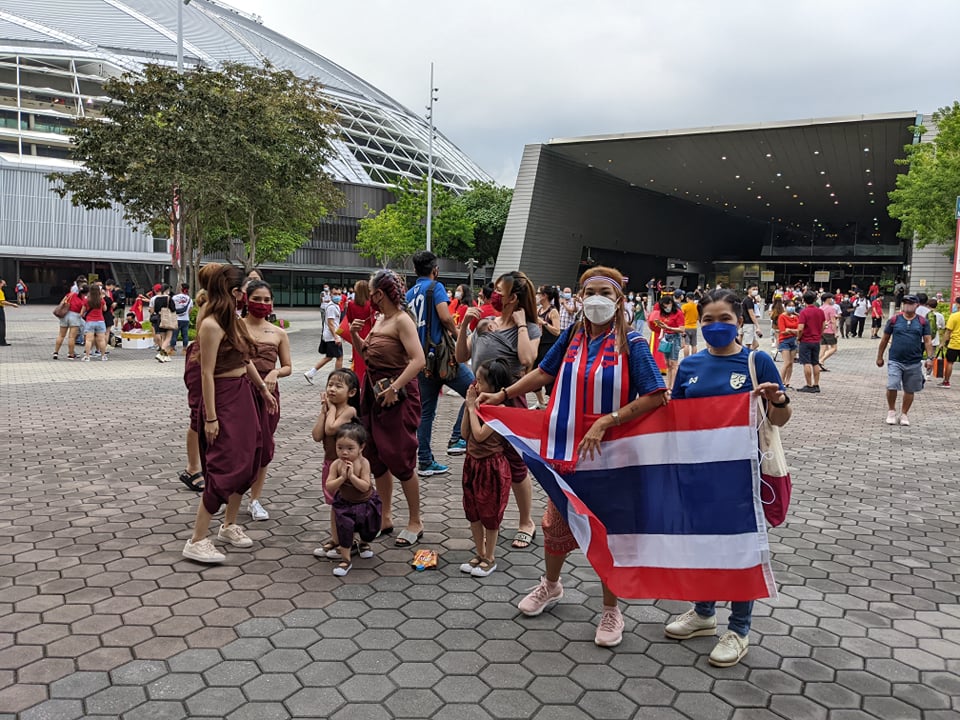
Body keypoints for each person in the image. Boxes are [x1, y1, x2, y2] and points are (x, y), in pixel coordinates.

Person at [479, 266, 667, 647]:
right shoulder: (573, 336)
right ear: (579, 299)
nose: (597, 298)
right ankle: (551, 586)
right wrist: (503, 395)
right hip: (568, 449)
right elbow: (544, 373)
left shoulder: (633, 342)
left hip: (612, 452)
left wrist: (607, 422)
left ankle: (611, 609)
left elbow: (656, 395)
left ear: (619, 300)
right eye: (590, 291)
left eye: (605, 292)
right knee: (555, 522)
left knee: (606, 528)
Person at [665, 288, 791, 667]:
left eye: (725, 319)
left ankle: (739, 629)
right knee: (703, 544)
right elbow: (677, 422)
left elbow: (781, 420)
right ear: (699, 323)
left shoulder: (757, 362)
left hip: (742, 477)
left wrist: (778, 401)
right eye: (708, 320)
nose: (716, 326)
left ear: (740, 320)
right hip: (699, 473)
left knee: (740, 549)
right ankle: (703, 613)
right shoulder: (689, 366)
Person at [181, 264, 277, 564]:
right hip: (223, 398)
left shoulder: (231, 320)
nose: (247, 297)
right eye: (244, 290)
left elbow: (245, 359)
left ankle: (228, 525)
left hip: (243, 394)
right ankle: (197, 539)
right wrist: (210, 418)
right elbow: (206, 374)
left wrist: (262, 389)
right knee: (225, 465)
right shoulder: (210, 323)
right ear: (234, 292)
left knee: (251, 459)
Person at [456, 271, 540, 550]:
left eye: (499, 291)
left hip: (509, 401)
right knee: (481, 456)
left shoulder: (528, 327)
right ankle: (489, 518)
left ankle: (526, 521)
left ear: (513, 298)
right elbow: (461, 357)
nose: (494, 294)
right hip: (479, 400)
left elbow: (528, 361)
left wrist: (521, 325)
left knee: (516, 463)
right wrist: (467, 325)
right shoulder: (485, 324)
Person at [350, 269, 425, 547]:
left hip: (398, 396)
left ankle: (415, 521)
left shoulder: (402, 320)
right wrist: (357, 337)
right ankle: (385, 516)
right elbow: (368, 356)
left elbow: (418, 361)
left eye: (372, 294)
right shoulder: (380, 319)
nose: (370, 299)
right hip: (374, 395)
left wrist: (395, 388)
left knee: (400, 457)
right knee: (377, 456)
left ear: (380, 294)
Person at [406, 250, 475, 475]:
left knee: (426, 412)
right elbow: (445, 317)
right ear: (435, 270)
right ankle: (457, 438)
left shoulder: (409, 294)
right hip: (443, 357)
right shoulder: (435, 288)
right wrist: (459, 336)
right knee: (476, 391)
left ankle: (424, 460)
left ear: (415, 270)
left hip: (421, 360)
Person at [458, 359, 513, 578]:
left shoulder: (499, 409)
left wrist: (472, 408)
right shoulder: (476, 404)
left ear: (495, 386)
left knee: (489, 512)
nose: (476, 385)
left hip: (492, 467)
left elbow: (480, 435)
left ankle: (490, 557)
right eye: (476, 380)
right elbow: (465, 434)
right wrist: (467, 406)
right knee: (473, 511)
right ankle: (479, 553)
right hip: (472, 463)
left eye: (481, 381)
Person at [243, 280, 292, 521]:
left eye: (266, 300)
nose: (262, 304)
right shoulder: (236, 327)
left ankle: (255, 499)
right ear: (246, 299)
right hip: (240, 392)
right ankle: (229, 493)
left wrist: (274, 372)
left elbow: (288, 367)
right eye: (257, 299)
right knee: (239, 445)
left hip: (270, 396)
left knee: (264, 446)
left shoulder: (278, 333)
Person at [322, 423, 382, 577]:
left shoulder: (363, 463)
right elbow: (329, 486)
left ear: (361, 447)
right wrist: (342, 478)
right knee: (345, 530)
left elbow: (365, 486)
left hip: (366, 502)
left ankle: (364, 543)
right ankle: (346, 558)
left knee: (369, 529)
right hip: (345, 504)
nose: (344, 452)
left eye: (350, 448)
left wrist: (352, 477)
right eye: (340, 447)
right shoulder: (336, 464)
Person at [312, 369, 361, 556]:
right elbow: (317, 435)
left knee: (347, 504)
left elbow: (332, 429)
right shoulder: (328, 410)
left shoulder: (349, 410)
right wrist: (323, 412)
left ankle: (350, 541)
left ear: (351, 392)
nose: (332, 389)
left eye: (338, 386)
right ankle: (336, 538)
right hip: (330, 464)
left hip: (346, 467)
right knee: (335, 504)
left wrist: (331, 409)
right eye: (330, 385)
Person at [877, 295, 933, 426]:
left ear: (917, 305)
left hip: (914, 361)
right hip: (895, 359)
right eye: (905, 303)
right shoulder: (894, 320)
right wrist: (879, 356)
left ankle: (904, 414)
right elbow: (884, 339)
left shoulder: (923, 322)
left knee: (910, 389)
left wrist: (930, 358)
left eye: (910, 303)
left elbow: (928, 341)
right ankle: (891, 411)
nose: (907, 305)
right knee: (892, 385)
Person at [179, 290, 208, 493]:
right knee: (198, 414)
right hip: (201, 357)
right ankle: (192, 467)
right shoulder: (210, 306)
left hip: (213, 358)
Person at [304, 288, 344, 382]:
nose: (337, 296)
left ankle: (311, 373)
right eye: (335, 294)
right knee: (339, 357)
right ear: (330, 294)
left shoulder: (335, 305)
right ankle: (337, 378)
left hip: (330, 336)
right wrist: (336, 337)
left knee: (329, 357)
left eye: (339, 294)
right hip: (331, 336)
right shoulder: (331, 307)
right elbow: (331, 323)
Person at [533, 285, 561, 409]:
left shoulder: (552, 311)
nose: (537, 296)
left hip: (549, 346)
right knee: (534, 371)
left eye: (539, 293)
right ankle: (540, 401)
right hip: (538, 344)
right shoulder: (539, 310)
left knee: (547, 373)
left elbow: (557, 331)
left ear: (544, 296)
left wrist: (544, 323)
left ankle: (551, 402)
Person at [648, 293, 684, 388]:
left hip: (674, 337)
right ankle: (668, 385)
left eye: (666, 306)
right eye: (663, 307)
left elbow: (682, 329)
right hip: (666, 337)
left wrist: (669, 327)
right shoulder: (664, 314)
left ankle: (673, 386)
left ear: (671, 303)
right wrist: (661, 329)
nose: (665, 308)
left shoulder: (678, 313)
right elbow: (663, 327)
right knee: (667, 363)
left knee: (673, 363)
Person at [344, 280, 375, 386]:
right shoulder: (371, 304)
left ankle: (359, 380)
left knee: (358, 358)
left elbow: (349, 319)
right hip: (369, 331)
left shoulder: (351, 304)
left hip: (356, 332)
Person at [796, 291, 825, 393]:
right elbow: (823, 326)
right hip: (816, 340)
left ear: (804, 300)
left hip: (806, 340)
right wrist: (819, 335)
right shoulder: (820, 312)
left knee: (806, 363)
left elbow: (800, 328)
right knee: (815, 363)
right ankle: (816, 384)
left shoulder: (804, 312)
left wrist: (798, 338)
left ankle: (809, 385)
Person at [53, 284, 85, 359]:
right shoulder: (83, 299)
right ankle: (71, 354)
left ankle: (56, 352)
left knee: (61, 335)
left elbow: (62, 302)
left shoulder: (70, 294)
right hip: (75, 317)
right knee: (72, 337)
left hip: (65, 315)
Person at [80, 283, 108, 361]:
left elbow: (82, 312)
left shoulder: (86, 300)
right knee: (101, 340)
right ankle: (103, 356)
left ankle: (87, 356)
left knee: (88, 340)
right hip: (100, 321)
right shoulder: (101, 300)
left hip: (90, 321)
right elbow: (105, 309)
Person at [777, 301, 800, 388]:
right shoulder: (782, 317)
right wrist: (793, 331)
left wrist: (790, 330)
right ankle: (780, 381)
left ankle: (787, 381)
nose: (791, 307)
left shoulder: (796, 317)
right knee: (786, 363)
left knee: (791, 363)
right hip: (784, 341)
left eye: (793, 306)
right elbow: (783, 331)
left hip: (793, 340)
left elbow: (800, 329)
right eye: (789, 306)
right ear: (785, 306)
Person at [938, 297, 960, 388]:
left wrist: (942, 343)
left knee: (950, 362)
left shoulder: (954, 316)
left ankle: (946, 382)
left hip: (954, 344)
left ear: (958, 304)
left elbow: (948, 332)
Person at [151, 285, 176, 363]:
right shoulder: (169, 298)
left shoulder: (156, 299)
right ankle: (161, 353)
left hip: (159, 319)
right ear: (167, 290)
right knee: (168, 338)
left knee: (163, 338)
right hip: (167, 319)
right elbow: (173, 309)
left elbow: (155, 309)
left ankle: (165, 356)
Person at [819, 293, 839, 369]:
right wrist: (835, 332)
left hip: (822, 329)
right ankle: (821, 360)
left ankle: (818, 363)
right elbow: (833, 321)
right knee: (834, 348)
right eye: (831, 298)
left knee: (823, 347)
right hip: (829, 330)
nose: (832, 300)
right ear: (828, 299)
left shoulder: (820, 308)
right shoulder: (831, 308)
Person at [171, 284, 193, 354]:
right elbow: (190, 310)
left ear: (181, 288)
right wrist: (185, 315)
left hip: (176, 319)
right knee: (185, 335)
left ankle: (172, 349)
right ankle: (184, 350)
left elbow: (171, 307)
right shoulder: (189, 299)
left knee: (174, 335)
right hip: (185, 319)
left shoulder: (174, 297)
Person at [739, 285, 762, 350]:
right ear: (748, 290)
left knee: (755, 344)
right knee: (748, 345)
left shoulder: (748, 300)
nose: (755, 291)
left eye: (756, 289)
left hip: (744, 323)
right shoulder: (748, 301)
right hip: (748, 324)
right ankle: (746, 354)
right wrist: (757, 326)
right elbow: (752, 314)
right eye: (753, 289)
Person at [681, 290, 700, 357]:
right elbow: (698, 318)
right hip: (694, 327)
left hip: (686, 327)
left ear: (687, 298)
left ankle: (686, 358)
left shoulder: (684, 306)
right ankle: (693, 358)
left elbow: (681, 316)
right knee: (694, 345)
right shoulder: (697, 306)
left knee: (686, 344)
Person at [0, 278, 18, 346]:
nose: (4, 285)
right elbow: (2, 301)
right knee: (1, 325)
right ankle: (2, 341)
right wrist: (12, 304)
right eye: (3, 284)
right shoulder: (0, 291)